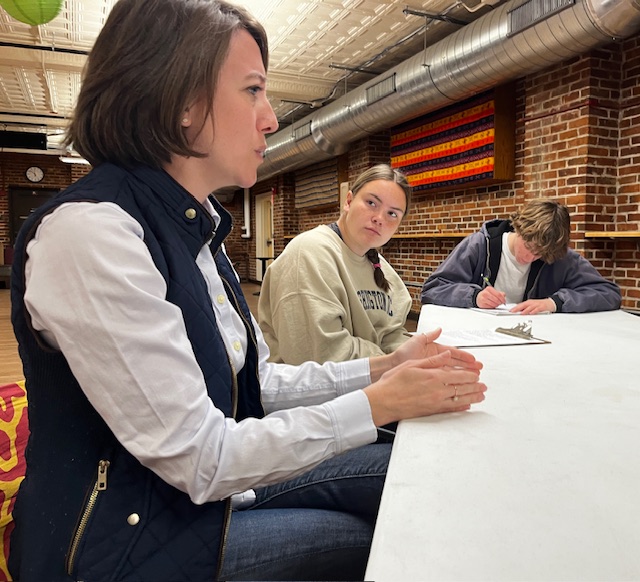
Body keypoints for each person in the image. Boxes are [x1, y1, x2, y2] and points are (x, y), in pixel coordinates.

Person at [9, 1, 487, 581]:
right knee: (370, 539)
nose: (271, 119)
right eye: (253, 90)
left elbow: (258, 383)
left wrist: (385, 368)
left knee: (405, 475)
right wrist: (380, 403)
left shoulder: (198, 227)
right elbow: (201, 458)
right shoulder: (91, 232)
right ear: (181, 101)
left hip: (194, 499)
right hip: (118, 544)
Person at [258, 164, 412, 365]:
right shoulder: (309, 252)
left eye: (392, 214)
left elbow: (392, 333)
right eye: (371, 203)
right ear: (348, 201)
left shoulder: (382, 268)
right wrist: (393, 362)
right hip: (311, 383)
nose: (379, 218)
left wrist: (417, 357)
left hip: (374, 375)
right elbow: (320, 356)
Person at [421, 198, 621, 314]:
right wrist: (474, 297)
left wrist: (554, 303)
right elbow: (432, 290)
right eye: (528, 246)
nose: (531, 257)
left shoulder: (559, 256)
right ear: (518, 228)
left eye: (540, 254)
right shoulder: (479, 245)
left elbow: (609, 294)